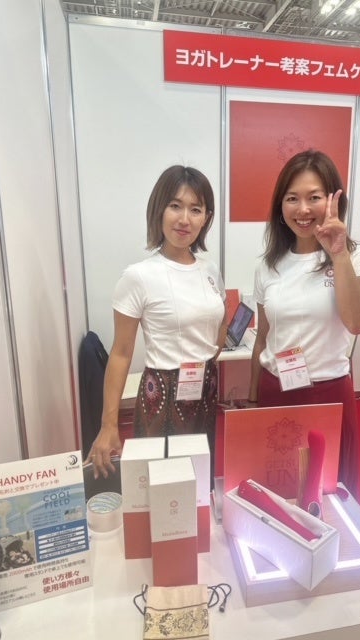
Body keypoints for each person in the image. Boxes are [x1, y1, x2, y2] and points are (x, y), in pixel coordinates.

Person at [86, 165, 226, 479]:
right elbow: (121, 353)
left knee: (200, 482)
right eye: (175, 206)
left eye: (196, 209)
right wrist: (108, 425)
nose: (185, 219)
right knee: (163, 483)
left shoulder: (209, 270)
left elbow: (221, 321)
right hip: (162, 394)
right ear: (159, 209)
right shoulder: (138, 276)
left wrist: (206, 357)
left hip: (205, 390)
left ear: (206, 218)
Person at [247, 149, 360, 494]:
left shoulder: (353, 255)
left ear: (333, 201)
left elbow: (358, 323)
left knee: (329, 492)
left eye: (314, 197)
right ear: (280, 206)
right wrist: (253, 399)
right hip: (276, 389)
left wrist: (338, 253)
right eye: (292, 198)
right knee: (278, 490)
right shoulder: (268, 265)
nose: (303, 209)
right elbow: (263, 337)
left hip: (329, 392)